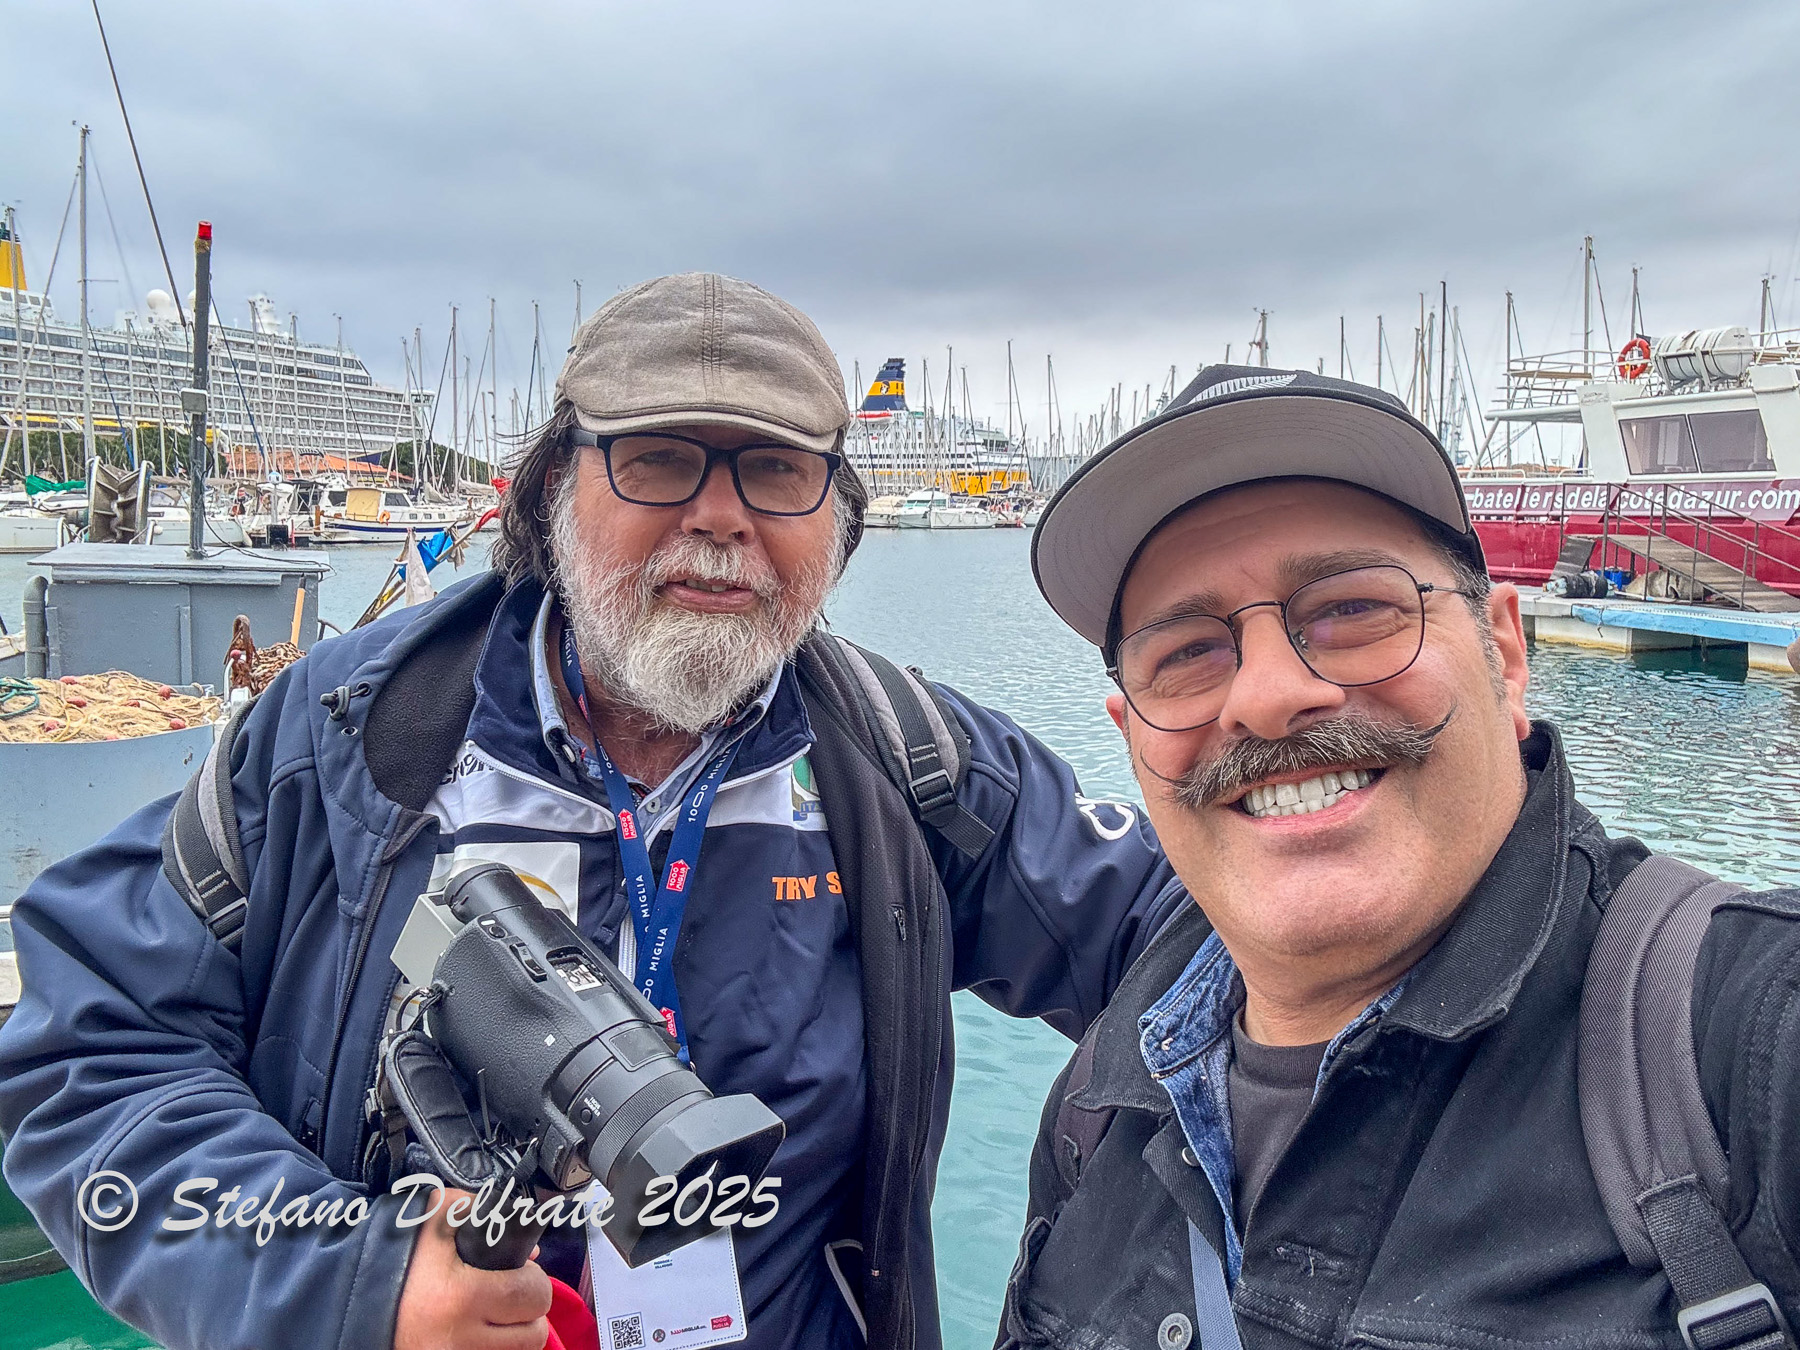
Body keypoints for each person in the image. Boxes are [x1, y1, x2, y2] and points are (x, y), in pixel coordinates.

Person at [0, 274, 1184, 1350]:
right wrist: (347, 1285)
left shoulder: (907, 765)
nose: (720, 517)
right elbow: (87, 1049)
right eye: (660, 460)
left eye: (777, 470)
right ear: (553, 487)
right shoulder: (347, 737)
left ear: (838, 516)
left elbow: (1202, 947)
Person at [1003, 365, 1800, 1349]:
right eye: (1189, 654)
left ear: (1506, 653)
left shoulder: (1745, 1056)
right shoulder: (1101, 1100)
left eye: (1350, 609)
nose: (1268, 696)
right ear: (1133, 740)